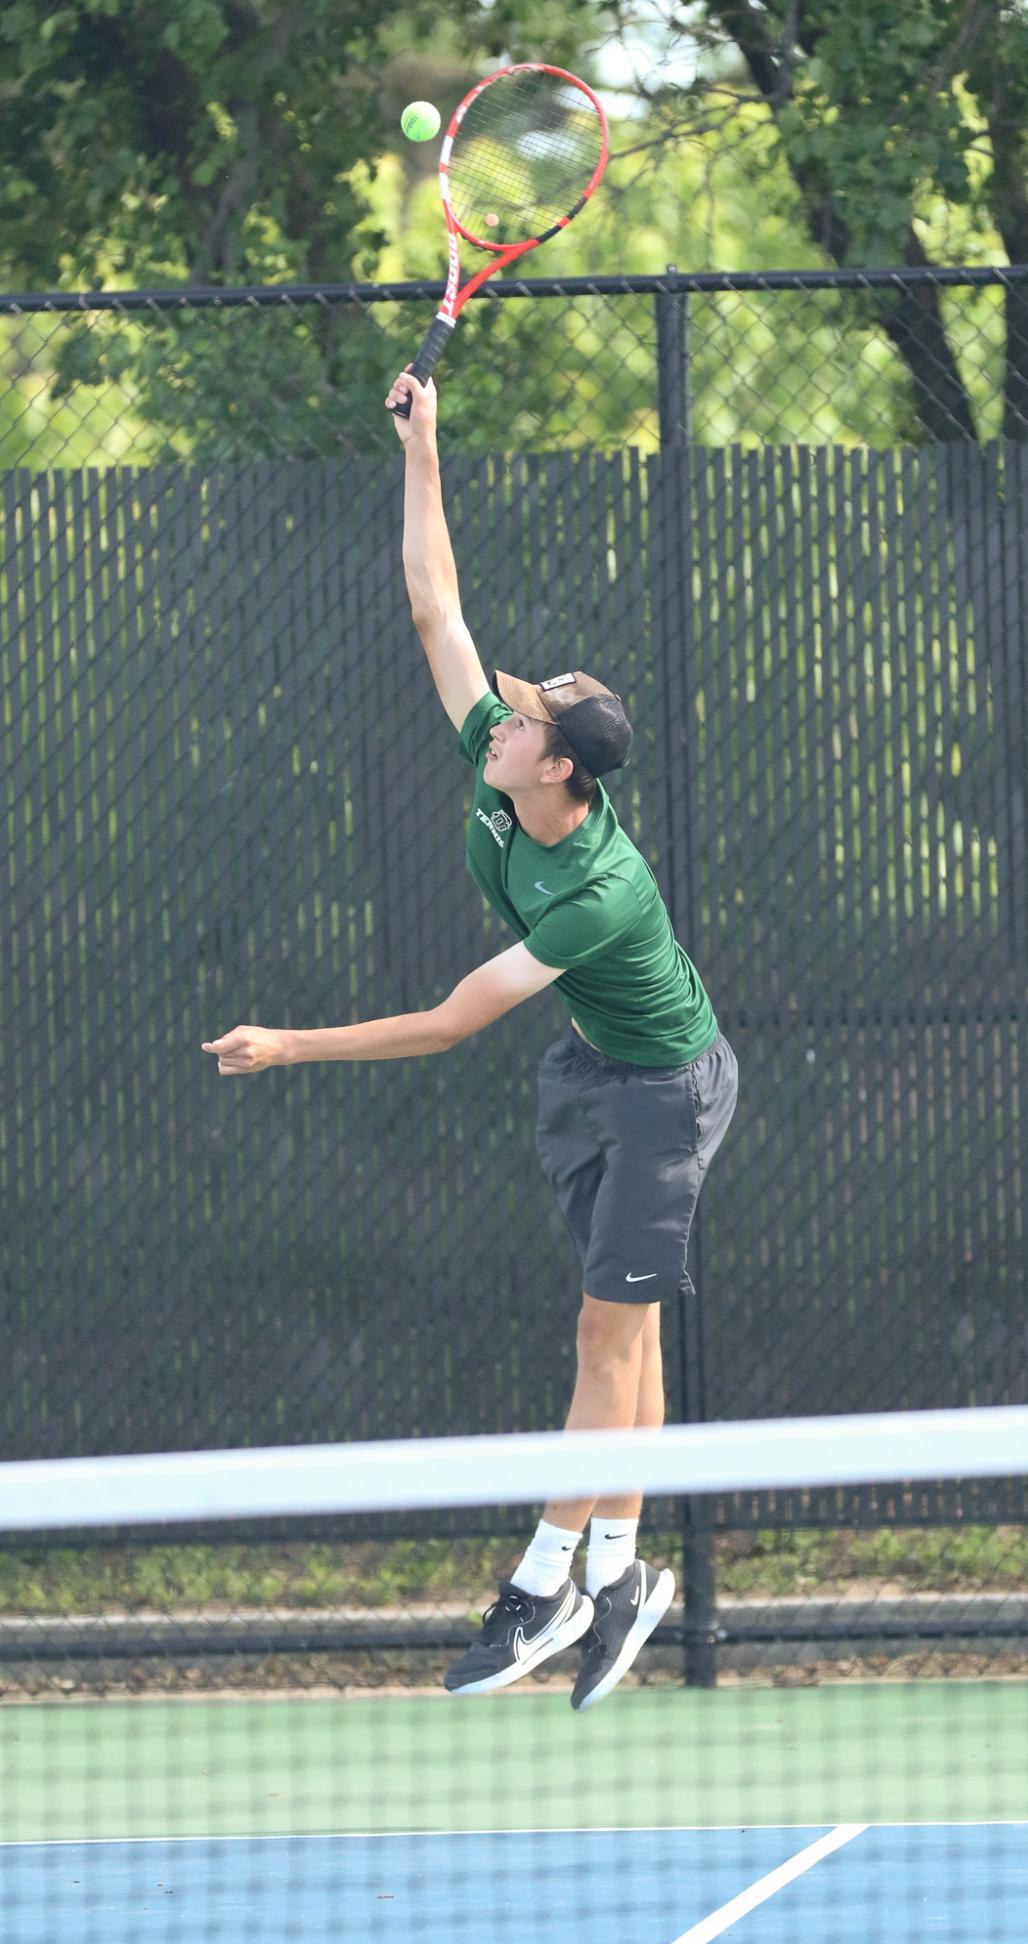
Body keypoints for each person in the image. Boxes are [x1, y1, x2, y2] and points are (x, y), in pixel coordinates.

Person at [202, 369, 738, 1712]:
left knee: (599, 1336)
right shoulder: (500, 767)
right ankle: (623, 1575)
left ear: (562, 768)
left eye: (523, 720)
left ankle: (542, 1583)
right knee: (633, 1336)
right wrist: (424, 444)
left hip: (668, 1089)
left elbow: (446, 1024)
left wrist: (291, 1043)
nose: (496, 717)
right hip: (591, 1073)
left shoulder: (594, 890)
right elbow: (432, 597)